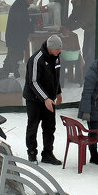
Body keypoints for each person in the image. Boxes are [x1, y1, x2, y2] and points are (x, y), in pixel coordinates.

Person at [22, 34, 63, 165]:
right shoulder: (36, 59)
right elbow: (33, 82)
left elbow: (56, 77)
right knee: (33, 126)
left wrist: (58, 92)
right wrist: (45, 98)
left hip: (49, 99)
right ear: (50, 48)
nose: (59, 51)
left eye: (60, 49)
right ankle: (32, 153)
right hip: (34, 99)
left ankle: (48, 153)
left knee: (50, 127)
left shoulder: (56, 58)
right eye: (57, 49)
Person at [1, 0, 37, 78]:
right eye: (31, 0)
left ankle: (4, 77)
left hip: (14, 37)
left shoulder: (20, 4)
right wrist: (31, 28)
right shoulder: (20, 7)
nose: (32, 2)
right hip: (16, 38)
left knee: (11, 58)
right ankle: (17, 77)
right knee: (16, 60)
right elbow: (23, 23)